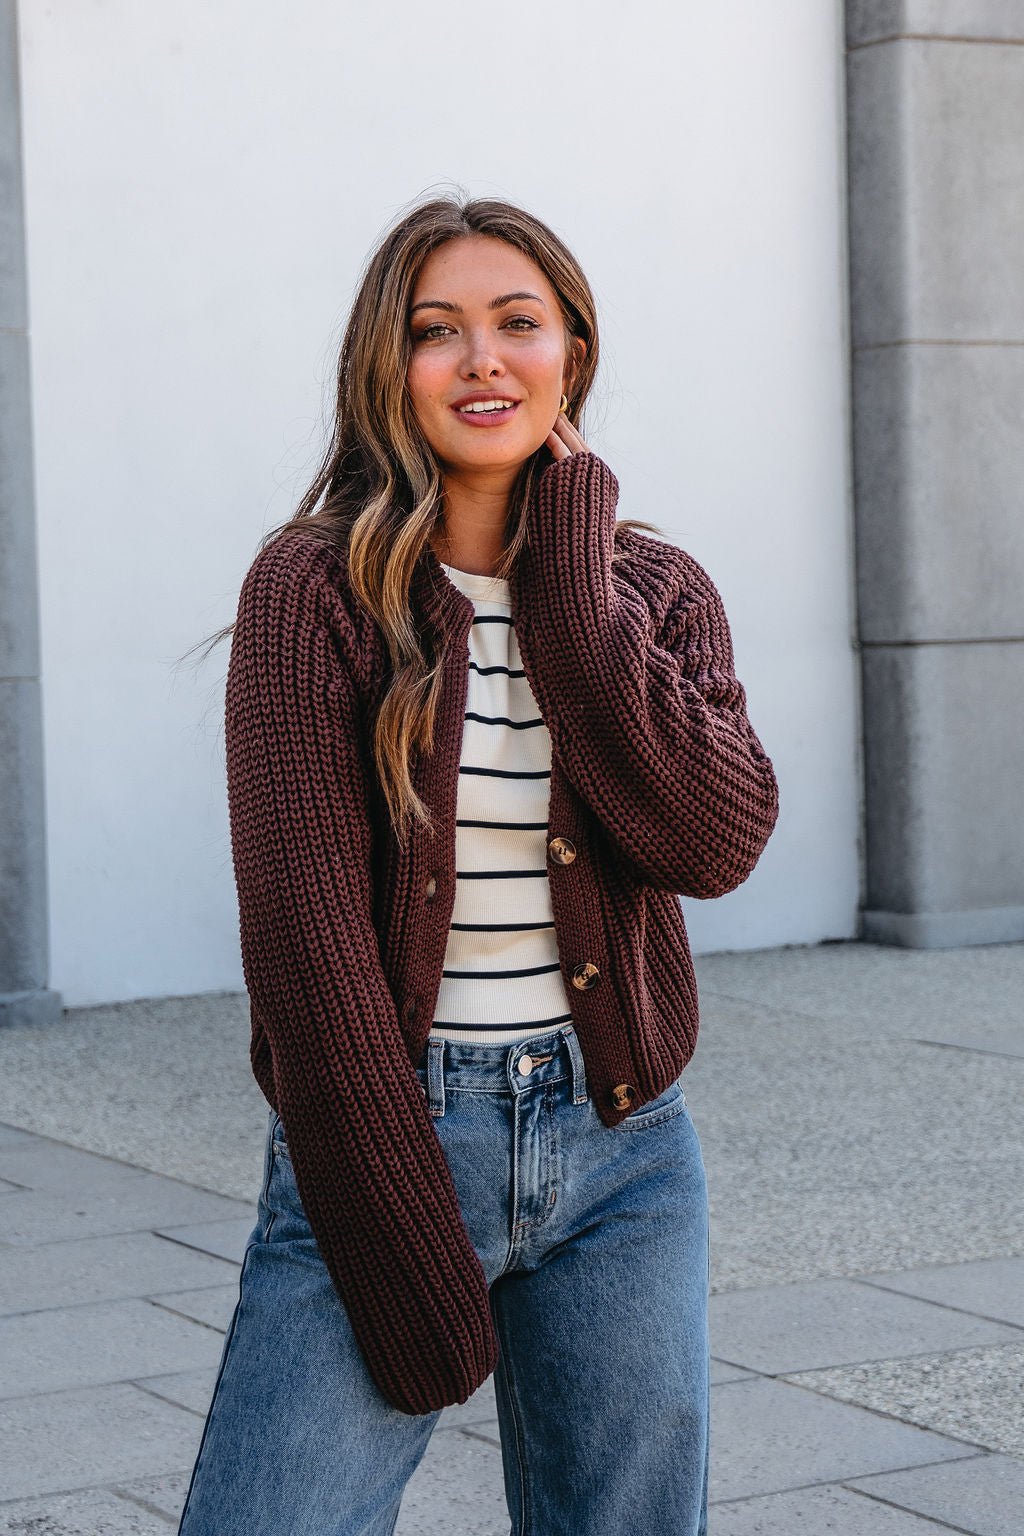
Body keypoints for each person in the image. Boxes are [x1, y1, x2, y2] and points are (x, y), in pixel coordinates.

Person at [176, 193, 779, 1536]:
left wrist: (569, 579)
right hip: (384, 1136)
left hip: (621, 1145)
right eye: (435, 331)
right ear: (387, 369)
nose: (481, 360)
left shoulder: (655, 587)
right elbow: (300, 931)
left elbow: (715, 838)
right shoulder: (314, 589)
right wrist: (391, 1212)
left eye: (518, 324)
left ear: (573, 348)